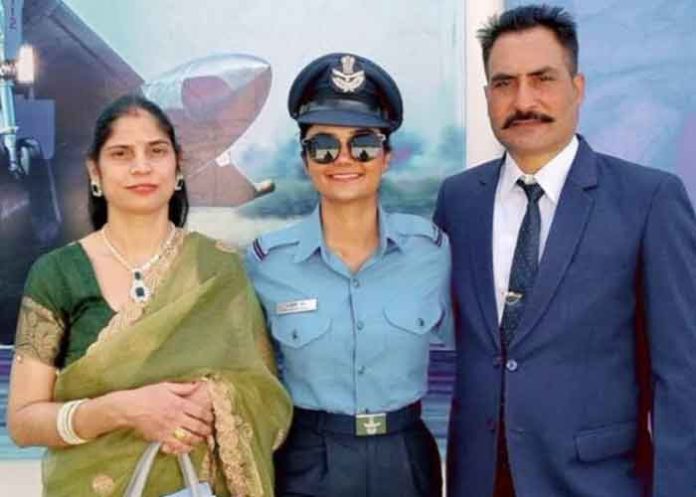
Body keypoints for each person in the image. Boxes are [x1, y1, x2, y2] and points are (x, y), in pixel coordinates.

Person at [434, 5, 696, 497]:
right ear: (488, 95)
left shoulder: (650, 200)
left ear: (578, 88)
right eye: (505, 83)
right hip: (480, 480)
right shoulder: (458, 200)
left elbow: (683, 378)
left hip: (597, 482)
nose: (523, 99)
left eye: (543, 79)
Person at [6, 94, 292, 497]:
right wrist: (120, 409)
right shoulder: (57, 274)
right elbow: (23, 421)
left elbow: (264, 393)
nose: (141, 166)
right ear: (95, 171)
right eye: (121, 153)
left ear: (178, 167)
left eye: (156, 151)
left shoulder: (218, 268)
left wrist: (216, 400)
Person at [245, 53, 452, 497]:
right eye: (323, 145)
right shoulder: (267, 263)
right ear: (305, 159)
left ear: (387, 157)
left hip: (406, 456)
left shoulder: (431, 252)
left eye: (363, 144)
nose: (344, 159)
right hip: (308, 458)